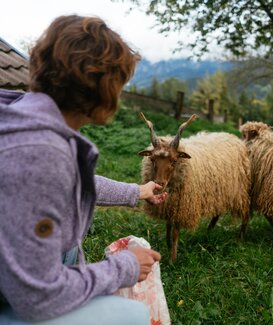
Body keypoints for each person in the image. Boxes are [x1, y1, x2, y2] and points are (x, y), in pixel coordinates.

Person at [0, 15, 168, 325]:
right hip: (22, 297)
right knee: (132, 315)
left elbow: (69, 183)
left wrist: (137, 191)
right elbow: (36, 297)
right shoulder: (39, 153)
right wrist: (125, 267)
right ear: (104, 88)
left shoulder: (24, 116)